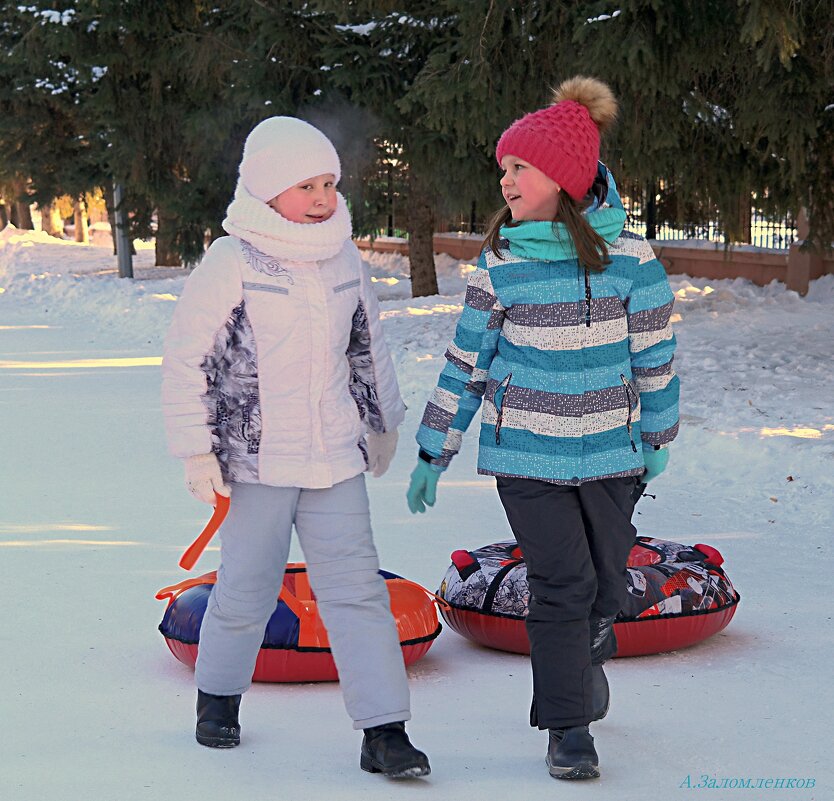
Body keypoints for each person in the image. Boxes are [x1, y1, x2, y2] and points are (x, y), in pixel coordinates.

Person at [407, 76, 679, 780]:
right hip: (528, 456)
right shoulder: (501, 267)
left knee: (604, 586)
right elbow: (467, 363)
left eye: (519, 167)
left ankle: (585, 659)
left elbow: (655, 356)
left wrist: (659, 439)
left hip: (614, 456)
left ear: (564, 176)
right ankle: (568, 727)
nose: (505, 180)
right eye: (503, 168)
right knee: (561, 583)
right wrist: (435, 449)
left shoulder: (633, 262)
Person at [161, 116, 430, 778]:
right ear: (265, 188)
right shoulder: (234, 261)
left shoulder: (342, 257)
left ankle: (384, 729)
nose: (320, 197)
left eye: (329, 183)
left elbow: (368, 342)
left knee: (356, 589)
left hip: (334, 454)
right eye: (305, 184)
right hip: (256, 459)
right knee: (247, 585)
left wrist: (382, 420)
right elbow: (184, 358)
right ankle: (218, 699)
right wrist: (197, 452)